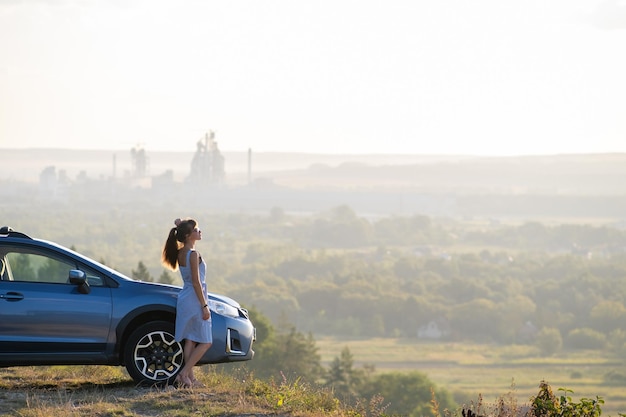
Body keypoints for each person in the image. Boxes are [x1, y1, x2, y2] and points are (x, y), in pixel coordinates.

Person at [162, 218, 212, 388]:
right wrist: (204, 305)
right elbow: (197, 282)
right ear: (189, 235)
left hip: (185, 297)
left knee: (190, 339)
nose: (200, 231)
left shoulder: (181, 252)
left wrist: (178, 224)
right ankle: (183, 373)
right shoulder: (193, 255)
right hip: (195, 298)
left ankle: (190, 379)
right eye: (197, 229)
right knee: (206, 341)